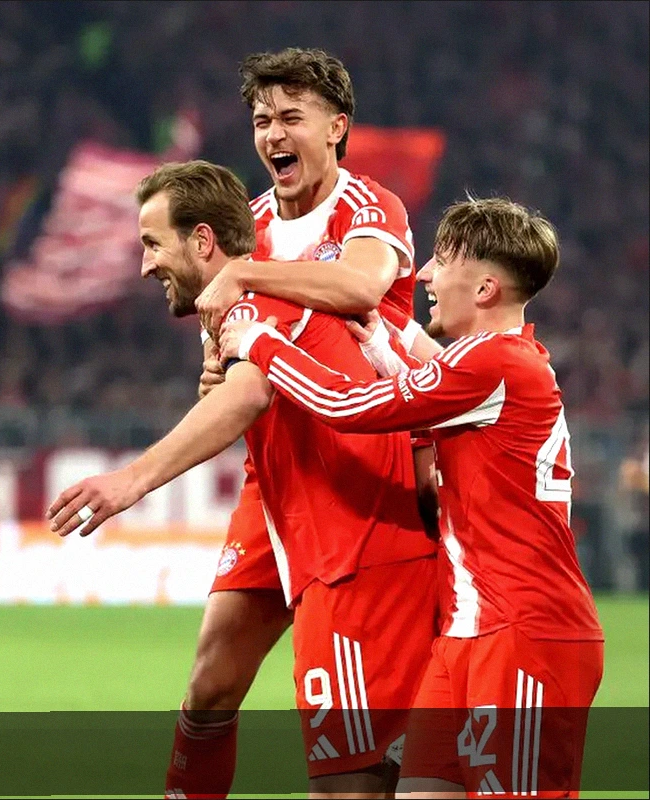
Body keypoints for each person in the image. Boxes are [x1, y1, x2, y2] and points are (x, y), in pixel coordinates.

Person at [48, 160, 437, 798]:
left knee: (349, 777)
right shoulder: (240, 294)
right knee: (211, 685)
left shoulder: (267, 288)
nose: (145, 265)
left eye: (153, 244)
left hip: (350, 527)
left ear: (203, 241)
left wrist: (132, 481)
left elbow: (251, 392)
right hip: (281, 497)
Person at [218, 197, 604, 796]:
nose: (423, 274)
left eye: (441, 262)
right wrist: (381, 337)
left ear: (485, 289)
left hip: (525, 633)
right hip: (466, 633)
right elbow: (431, 379)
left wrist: (261, 343)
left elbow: (348, 406)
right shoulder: (499, 362)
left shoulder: (494, 363)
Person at [174, 48, 438, 798]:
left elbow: (359, 287)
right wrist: (214, 374)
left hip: (357, 482)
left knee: (357, 747)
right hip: (273, 477)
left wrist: (244, 273)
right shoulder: (249, 224)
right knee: (208, 686)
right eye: (262, 120)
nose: (273, 134)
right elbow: (226, 353)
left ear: (336, 128)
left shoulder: (370, 206)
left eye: (292, 117)